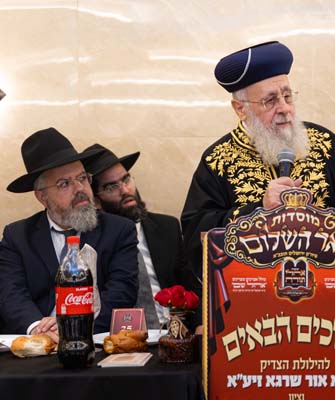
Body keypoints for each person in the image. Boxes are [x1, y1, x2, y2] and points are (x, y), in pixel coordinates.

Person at [181, 41, 335, 281]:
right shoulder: (218, 160)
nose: (285, 108)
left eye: (287, 96)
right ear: (240, 109)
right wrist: (258, 209)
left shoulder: (323, 143)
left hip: (328, 290)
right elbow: (198, 235)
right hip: (254, 295)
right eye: (270, 101)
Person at [0, 128, 139, 337]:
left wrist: (76, 329)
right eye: (64, 183)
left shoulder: (119, 230)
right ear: (42, 197)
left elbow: (122, 291)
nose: (80, 188)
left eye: (82, 178)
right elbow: (11, 294)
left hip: (93, 339)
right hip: (39, 344)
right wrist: (37, 328)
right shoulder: (17, 236)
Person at [83, 144, 199, 329]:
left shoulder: (167, 227)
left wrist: (200, 324)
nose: (125, 190)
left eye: (126, 179)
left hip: (175, 332)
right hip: (123, 335)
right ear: (95, 200)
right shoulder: (91, 243)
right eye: (111, 186)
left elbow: (192, 287)